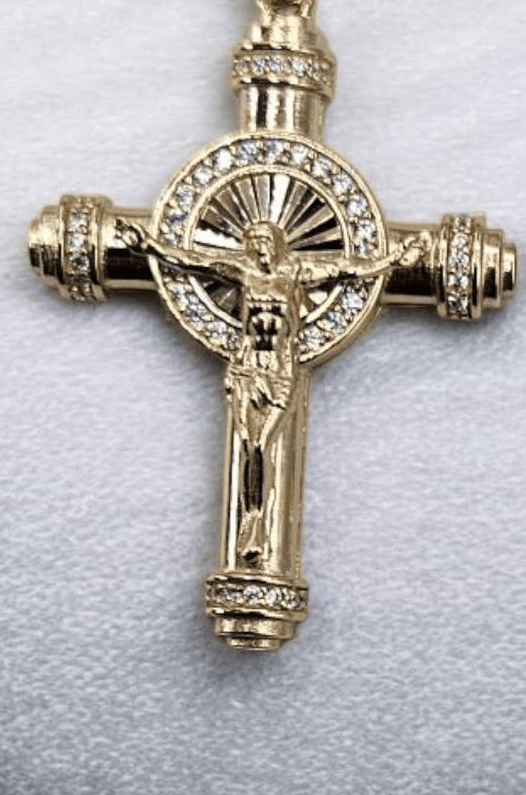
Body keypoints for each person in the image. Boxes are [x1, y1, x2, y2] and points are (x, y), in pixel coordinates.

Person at [117, 216, 427, 564]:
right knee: (250, 446)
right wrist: (150, 247)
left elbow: (347, 270)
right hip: (247, 369)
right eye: (254, 244)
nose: (259, 249)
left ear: (277, 245)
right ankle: (252, 519)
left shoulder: (296, 273)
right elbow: (195, 261)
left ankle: (258, 520)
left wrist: (391, 261)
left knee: (263, 444)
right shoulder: (242, 272)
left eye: (265, 242)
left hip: (279, 372)